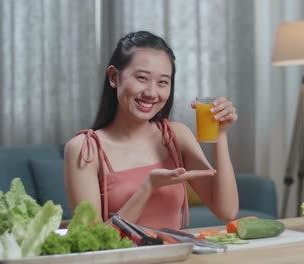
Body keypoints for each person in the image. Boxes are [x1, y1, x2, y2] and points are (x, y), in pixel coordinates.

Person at [64, 31, 239, 230]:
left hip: (176, 258)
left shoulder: (176, 137)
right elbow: (91, 243)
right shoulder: (85, 150)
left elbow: (227, 210)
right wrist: (148, 188)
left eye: (163, 82)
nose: (151, 93)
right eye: (142, 78)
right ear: (114, 77)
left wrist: (221, 134)